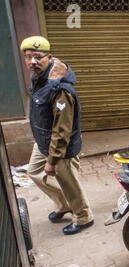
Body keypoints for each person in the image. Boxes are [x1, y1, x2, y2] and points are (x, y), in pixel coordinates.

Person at [20, 36, 94, 235]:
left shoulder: (60, 89)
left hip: (61, 147)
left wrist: (53, 160)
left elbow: (62, 131)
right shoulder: (39, 77)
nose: (32, 61)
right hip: (43, 141)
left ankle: (83, 217)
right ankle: (64, 205)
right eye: (28, 57)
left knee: (70, 184)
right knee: (35, 173)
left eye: (37, 57)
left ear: (49, 57)